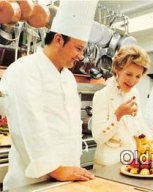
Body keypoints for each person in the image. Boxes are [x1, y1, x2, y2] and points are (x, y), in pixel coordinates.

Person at [0, 1, 97, 190]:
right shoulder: (24, 69)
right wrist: (54, 169)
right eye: (78, 48)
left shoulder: (68, 77)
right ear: (59, 39)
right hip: (34, 181)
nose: (81, 56)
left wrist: (70, 167)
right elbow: (28, 123)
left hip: (67, 176)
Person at [92, 45, 151, 166]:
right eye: (129, 74)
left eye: (138, 76)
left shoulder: (134, 93)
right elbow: (98, 137)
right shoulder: (101, 95)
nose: (133, 81)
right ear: (117, 69)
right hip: (108, 165)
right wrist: (117, 116)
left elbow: (140, 125)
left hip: (131, 162)